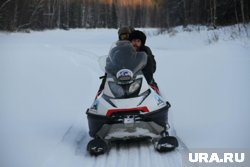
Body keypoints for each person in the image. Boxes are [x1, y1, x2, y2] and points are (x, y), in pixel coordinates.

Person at [129, 30, 160, 94]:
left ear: (141, 43)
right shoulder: (126, 51)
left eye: (138, 41)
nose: (136, 43)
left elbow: (152, 67)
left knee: (155, 95)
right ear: (131, 41)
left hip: (144, 80)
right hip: (127, 79)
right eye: (134, 40)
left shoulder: (145, 52)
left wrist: (147, 76)